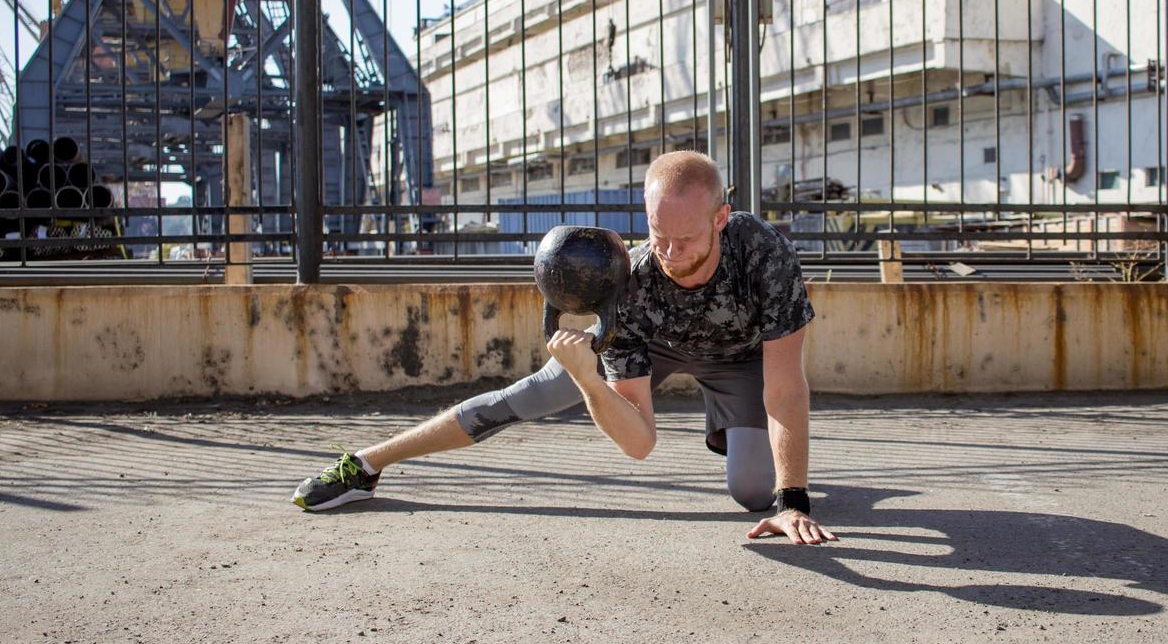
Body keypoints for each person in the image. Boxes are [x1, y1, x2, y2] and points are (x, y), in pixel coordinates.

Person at [292, 150, 836, 545]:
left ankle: (734, 430)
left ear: (720, 217)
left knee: (752, 492)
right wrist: (587, 376)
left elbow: (786, 386)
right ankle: (367, 464)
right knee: (529, 394)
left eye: (686, 239)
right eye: (657, 234)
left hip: (742, 362)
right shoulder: (634, 284)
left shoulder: (763, 255)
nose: (669, 253)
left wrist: (794, 502)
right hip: (659, 344)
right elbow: (639, 441)